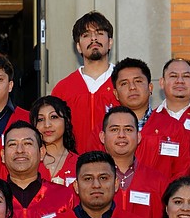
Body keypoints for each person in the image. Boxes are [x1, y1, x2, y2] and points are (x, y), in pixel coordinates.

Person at [137, 58, 190, 181]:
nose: (180, 81)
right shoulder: (149, 120)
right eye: (173, 76)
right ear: (161, 83)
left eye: (186, 76)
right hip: (157, 194)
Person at [51, 11, 120, 152]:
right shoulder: (63, 89)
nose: (94, 39)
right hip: (74, 168)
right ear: (78, 46)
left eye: (99, 33)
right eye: (86, 35)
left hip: (117, 168)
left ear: (110, 42)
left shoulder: (123, 84)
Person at [0, 121, 75, 218]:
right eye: (12, 144)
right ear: (3, 155)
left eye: (28, 143)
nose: (20, 150)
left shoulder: (65, 197)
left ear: (42, 153)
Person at [99, 106, 168, 218]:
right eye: (114, 129)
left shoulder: (158, 181)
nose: (121, 135)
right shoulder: (91, 181)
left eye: (128, 129)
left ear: (139, 136)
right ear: (102, 137)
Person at [31, 95, 79, 186]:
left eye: (53, 117)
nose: (47, 125)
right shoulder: (28, 162)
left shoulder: (80, 164)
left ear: (66, 121)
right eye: (40, 119)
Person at [112, 58, 155, 128]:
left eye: (138, 81)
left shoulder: (172, 127)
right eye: (124, 83)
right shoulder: (103, 131)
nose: (132, 87)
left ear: (150, 88)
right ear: (116, 94)